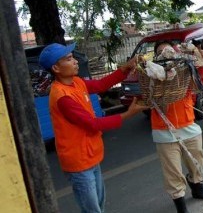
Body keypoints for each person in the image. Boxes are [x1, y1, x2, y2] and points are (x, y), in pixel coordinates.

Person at [38, 43, 149, 213]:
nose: (75, 61)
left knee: (98, 205)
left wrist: (125, 68)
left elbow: (100, 86)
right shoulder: (62, 97)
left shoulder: (75, 82)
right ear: (56, 68)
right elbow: (93, 123)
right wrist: (128, 114)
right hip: (78, 161)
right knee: (93, 210)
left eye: (73, 57)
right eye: (69, 59)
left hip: (90, 155)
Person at [151, 42, 203, 213]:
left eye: (169, 50)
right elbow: (146, 98)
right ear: (156, 57)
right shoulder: (151, 75)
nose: (166, 53)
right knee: (173, 171)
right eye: (161, 52)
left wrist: (195, 53)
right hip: (164, 131)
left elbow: (202, 75)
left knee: (197, 161)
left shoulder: (185, 71)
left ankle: (198, 189)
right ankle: (181, 206)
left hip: (188, 125)